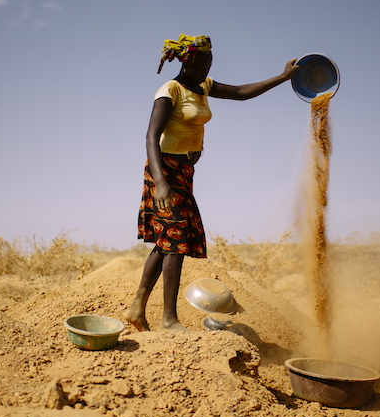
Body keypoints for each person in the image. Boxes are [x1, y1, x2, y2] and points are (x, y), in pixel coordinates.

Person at [123, 34, 299, 332]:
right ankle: (168, 320)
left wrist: (283, 78)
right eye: (203, 64)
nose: (208, 70)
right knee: (175, 243)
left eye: (211, 64)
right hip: (163, 170)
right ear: (189, 62)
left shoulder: (203, 86)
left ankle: (137, 308)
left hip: (184, 173)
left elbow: (242, 92)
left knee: (168, 241)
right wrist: (162, 183)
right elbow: (151, 137)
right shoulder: (170, 91)